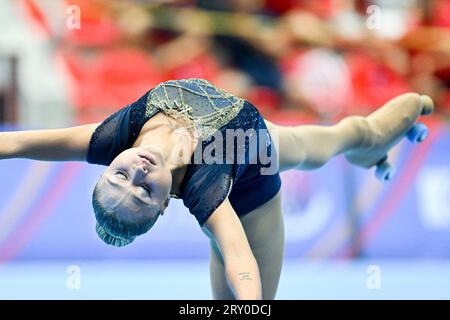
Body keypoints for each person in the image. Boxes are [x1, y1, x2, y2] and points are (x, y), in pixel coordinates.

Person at [0, 78, 433, 299]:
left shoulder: (110, 138)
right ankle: (374, 151)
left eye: (120, 176)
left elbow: (15, 143)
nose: (138, 173)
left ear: (105, 166)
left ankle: (373, 150)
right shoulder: (204, 188)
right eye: (145, 191)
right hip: (252, 195)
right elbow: (240, 257)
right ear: (165, 204)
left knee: (355, 133)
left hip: (267, 142)